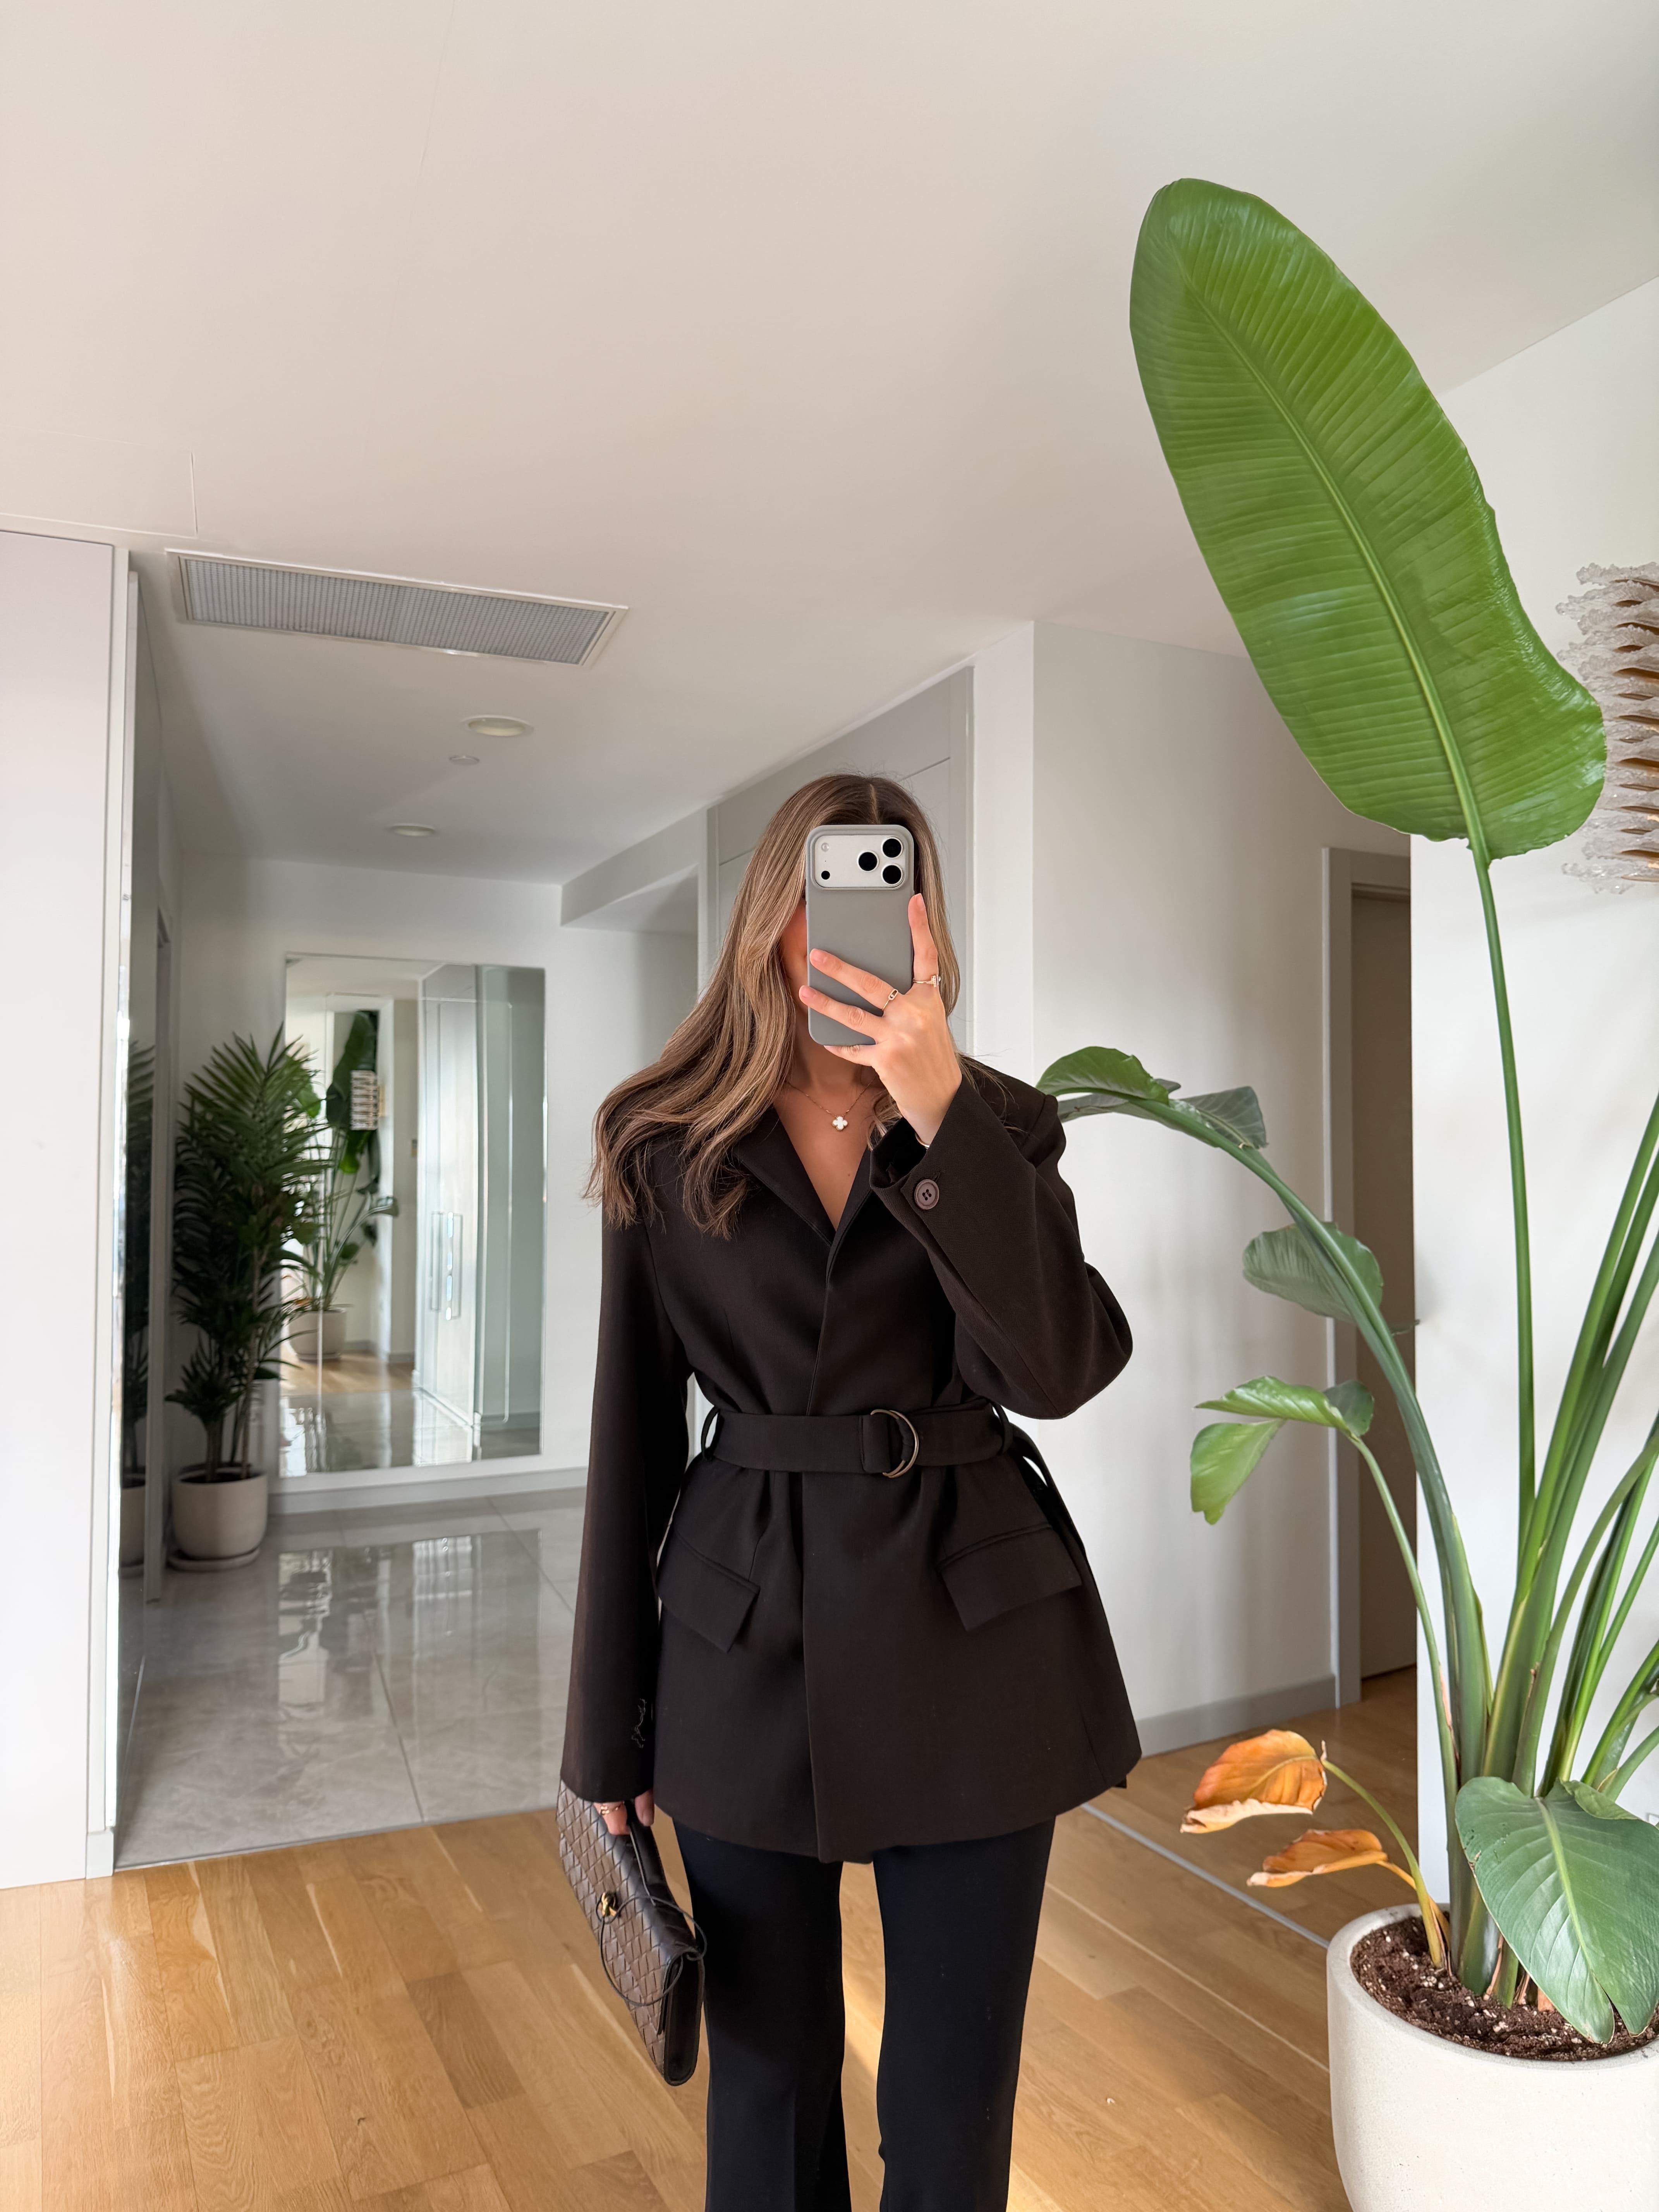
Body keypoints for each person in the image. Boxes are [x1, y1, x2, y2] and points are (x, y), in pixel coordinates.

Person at [563, 772, 1138, 2212]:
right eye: (825, 890)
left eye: (890, 889)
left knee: (951, 2107)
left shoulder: (998, 1123)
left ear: (924, 925)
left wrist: (939, 1113)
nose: (851, 926)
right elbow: (632, 1439)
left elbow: (1055, 1369)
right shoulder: (662, 1136)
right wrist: (603, 1734)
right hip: (741, 1641)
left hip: (975, 1634)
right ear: (773, 912)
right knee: (766, 2089)